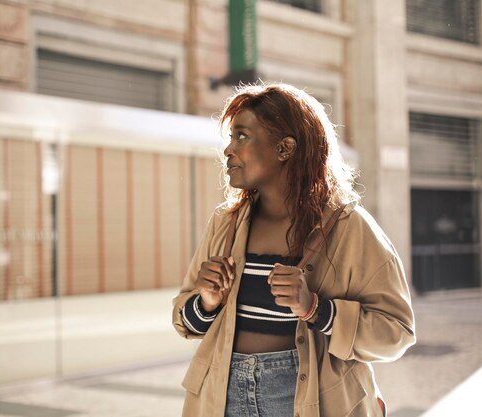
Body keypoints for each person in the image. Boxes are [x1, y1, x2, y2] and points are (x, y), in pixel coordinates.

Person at [172, 83, 415, 417]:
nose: (228, 150)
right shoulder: (225, 222)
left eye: (242, 136)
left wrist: (316, 309)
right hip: (221, 396)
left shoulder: (349, 226)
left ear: (285, 148)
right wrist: (206, 303)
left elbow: (396, 333)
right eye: (230, 137)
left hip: (310, 398)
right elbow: (186, 321)